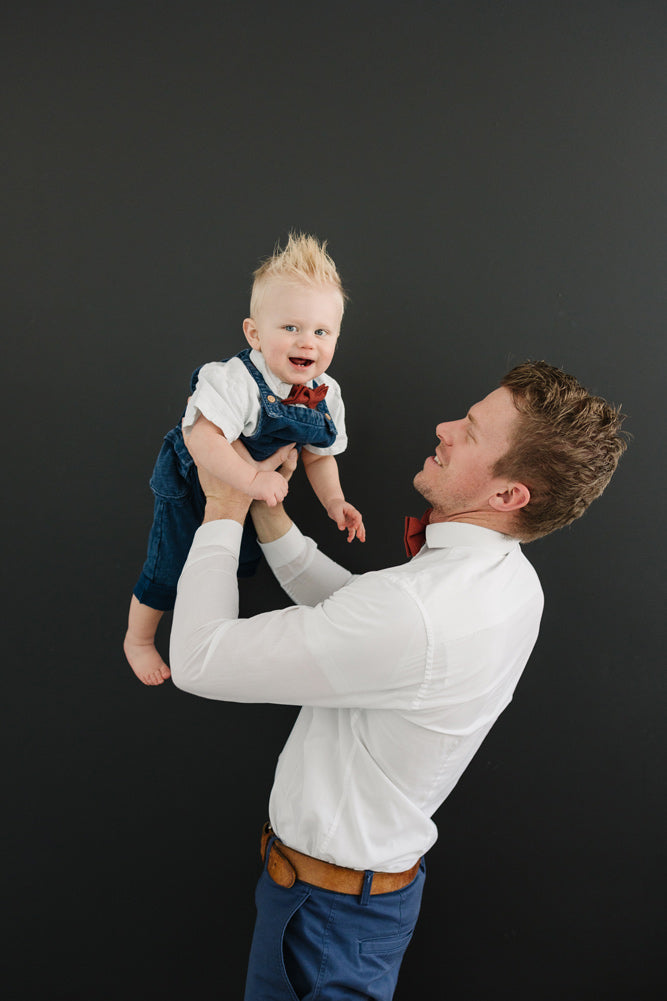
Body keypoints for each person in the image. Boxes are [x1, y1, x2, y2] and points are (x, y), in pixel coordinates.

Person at [169, 361, 627, 1001]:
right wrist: (268, 513)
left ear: (507, 496)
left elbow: (197, 660)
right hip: (350, 906)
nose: (443, 428)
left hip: (322, 919)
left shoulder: (416, 615)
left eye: (468, 431)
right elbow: (362, 623)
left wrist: (222, 505)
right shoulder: (509, 580)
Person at [124, 233, 365, 687]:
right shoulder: (233, 379)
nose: (307, 343)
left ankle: (199, 623)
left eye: (321, 331)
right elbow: (202, 439)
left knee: (232, 564)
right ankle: (138, 638)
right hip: (193, 479)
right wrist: (252, 481)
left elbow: (319, 457)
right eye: (290, 328)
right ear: (255, 333)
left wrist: (335, 502)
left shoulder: (327, 394)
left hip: (258, 489)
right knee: (168, 564)